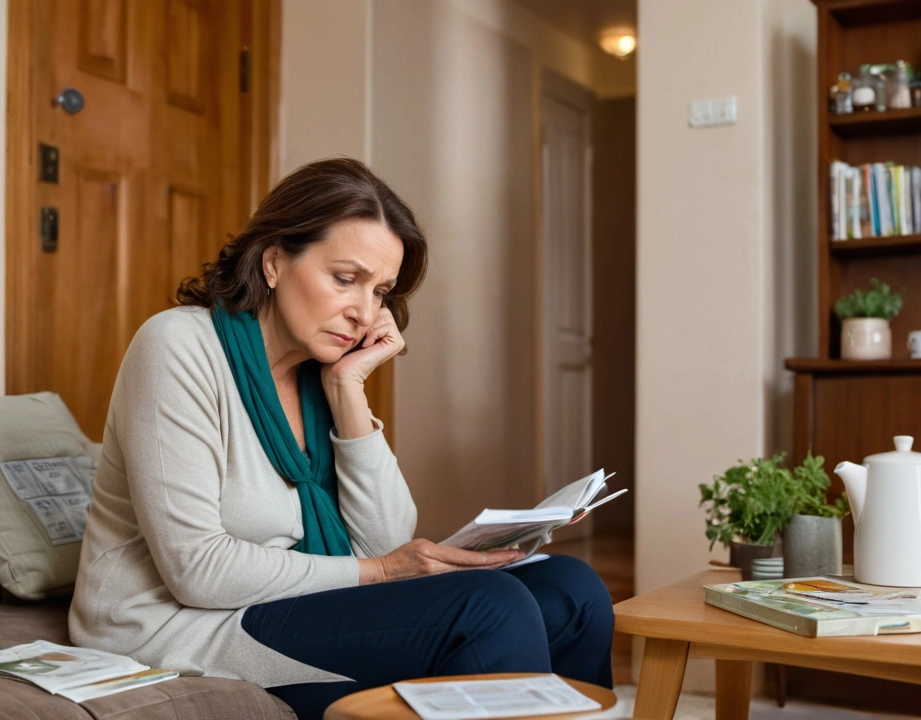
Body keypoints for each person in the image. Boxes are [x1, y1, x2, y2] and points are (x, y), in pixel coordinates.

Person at [69, 157, 614, 719]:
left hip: (292, 603)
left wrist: (348, 388)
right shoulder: (177, 347)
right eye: (345, 279)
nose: (364, 312)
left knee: (572, 589)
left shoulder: (321, 371)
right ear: (275, 261)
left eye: (381, 291)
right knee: (486, 607)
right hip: (181, 625)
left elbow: (383, 537)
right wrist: (384, 573)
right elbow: (197, 570)